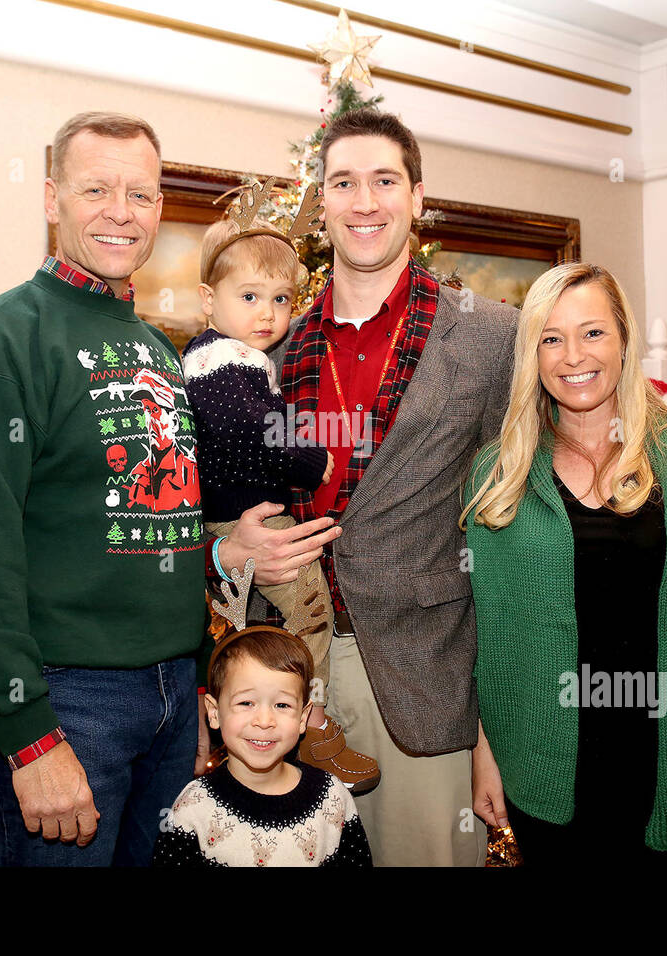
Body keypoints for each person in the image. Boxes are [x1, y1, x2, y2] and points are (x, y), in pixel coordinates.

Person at [207, 107, 519, 866]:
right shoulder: (268, 348)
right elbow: (207, 501)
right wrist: (229, 559)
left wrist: (497, 729)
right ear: (322, 203)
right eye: (343, 183)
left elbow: (518, 527)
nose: (364, 201)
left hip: (427, 681)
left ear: (417, 196)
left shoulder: (489, 335)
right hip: (286, 683)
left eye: (384, 180)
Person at [0, 112, 205, 866]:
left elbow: (161, 522)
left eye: (140, 194)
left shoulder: (154, 348)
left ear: (159, 208)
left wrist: (192, 693)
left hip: (171, 698)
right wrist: (31, 738)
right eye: (95, 189)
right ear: (51, 199)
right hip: (63, 704)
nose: (120, 211)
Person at [464, 261, 667, 866]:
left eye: (592, 332)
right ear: (532, 355)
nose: (573, 356)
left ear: (624, 339)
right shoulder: (498, 475)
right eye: (551, 337)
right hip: (542, 778)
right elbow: (493, 634)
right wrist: (486, 748)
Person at [182, 213, 378, 792]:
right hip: (244, 519)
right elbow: (253, 430)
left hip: (235, 517)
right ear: (207, 300)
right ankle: (311, 722)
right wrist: (311, 461)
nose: (267, 313)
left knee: (255, 622)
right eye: (249, 296)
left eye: (281, 298)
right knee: (310, 609)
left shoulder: (227, 356)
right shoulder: (226, 363)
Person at [153, 626, 373, 866]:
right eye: (246, 702)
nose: (265, 721)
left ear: (302, 718)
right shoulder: (192, 808)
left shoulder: (333, 798)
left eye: (282, 705)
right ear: (214, 712)